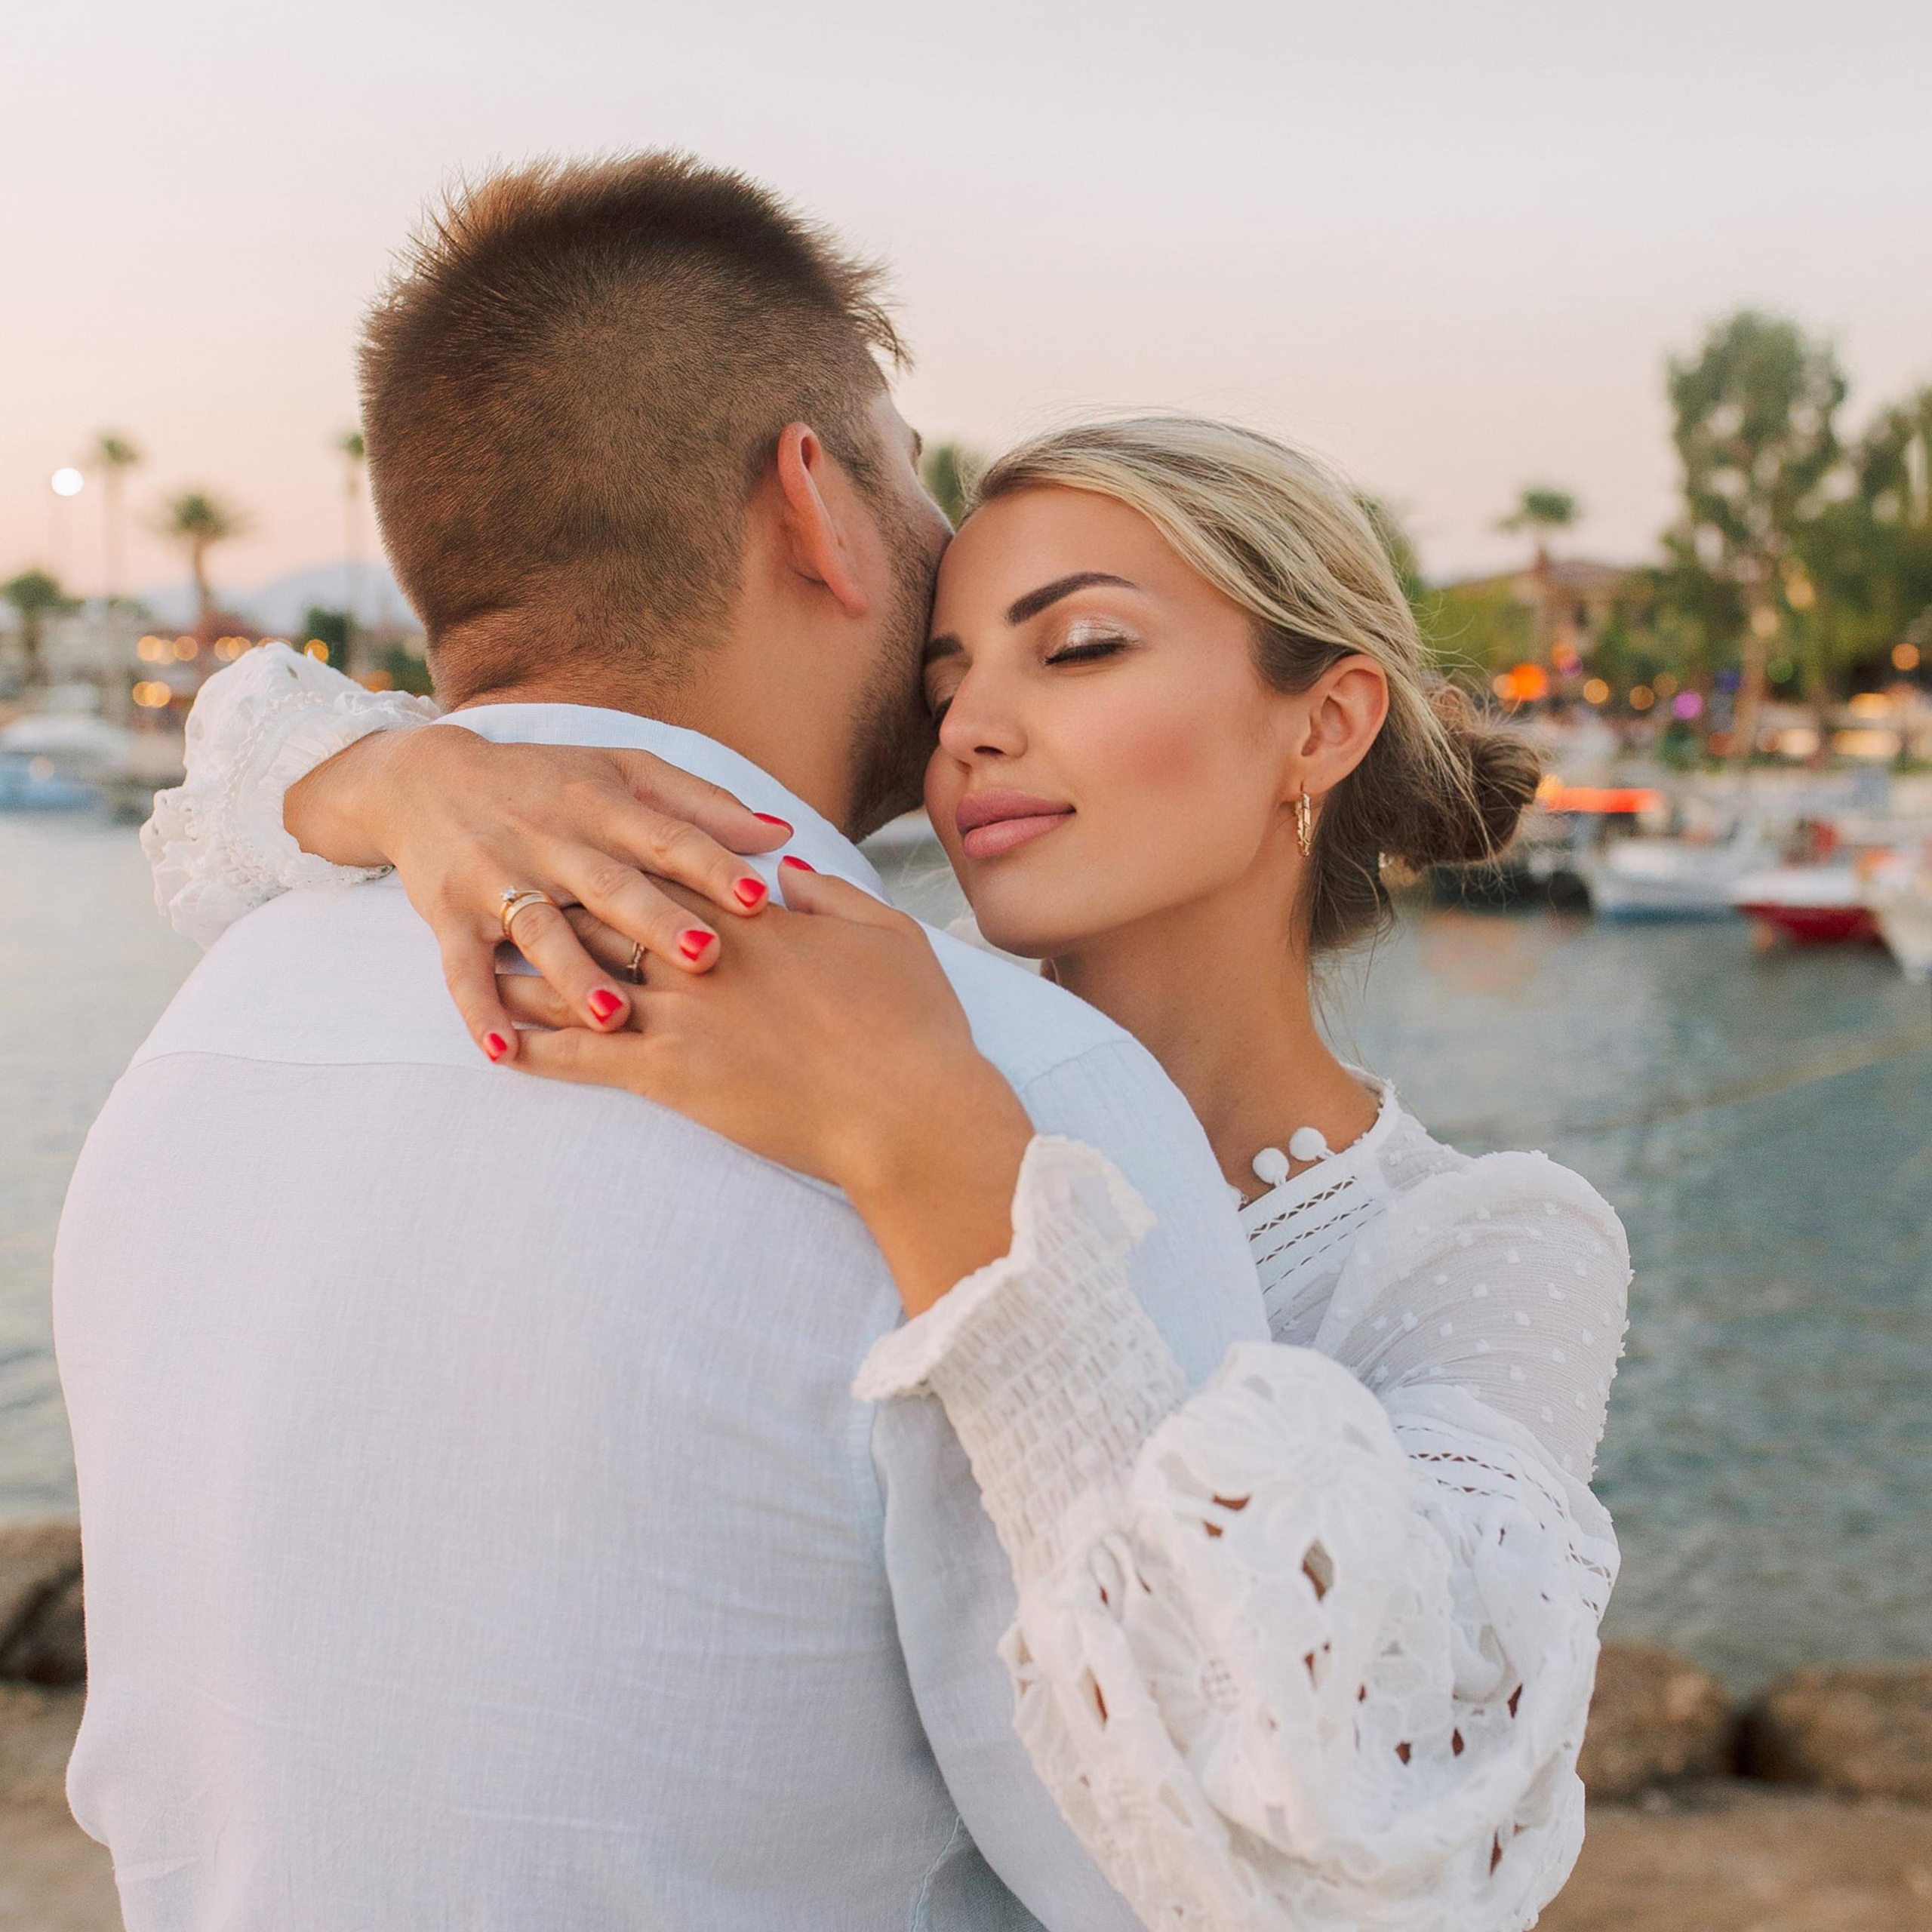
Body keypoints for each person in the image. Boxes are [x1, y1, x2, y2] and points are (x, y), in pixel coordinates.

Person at [141, 394, 1630, 1924]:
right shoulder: (816, 1003)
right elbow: (235, 767)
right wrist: (422, 782)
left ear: (1321, 722)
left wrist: (936, 1152)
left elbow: (1391, 1818)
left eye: (1078, 648)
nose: (969, 730)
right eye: (944, 677)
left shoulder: (1478, 1245)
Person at [57, 153, 1285, 1932]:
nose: (939, 549)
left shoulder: (200, 1040)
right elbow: (1219, 1852)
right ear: (812, 500)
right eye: (909, 476)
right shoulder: (1001, 1089)